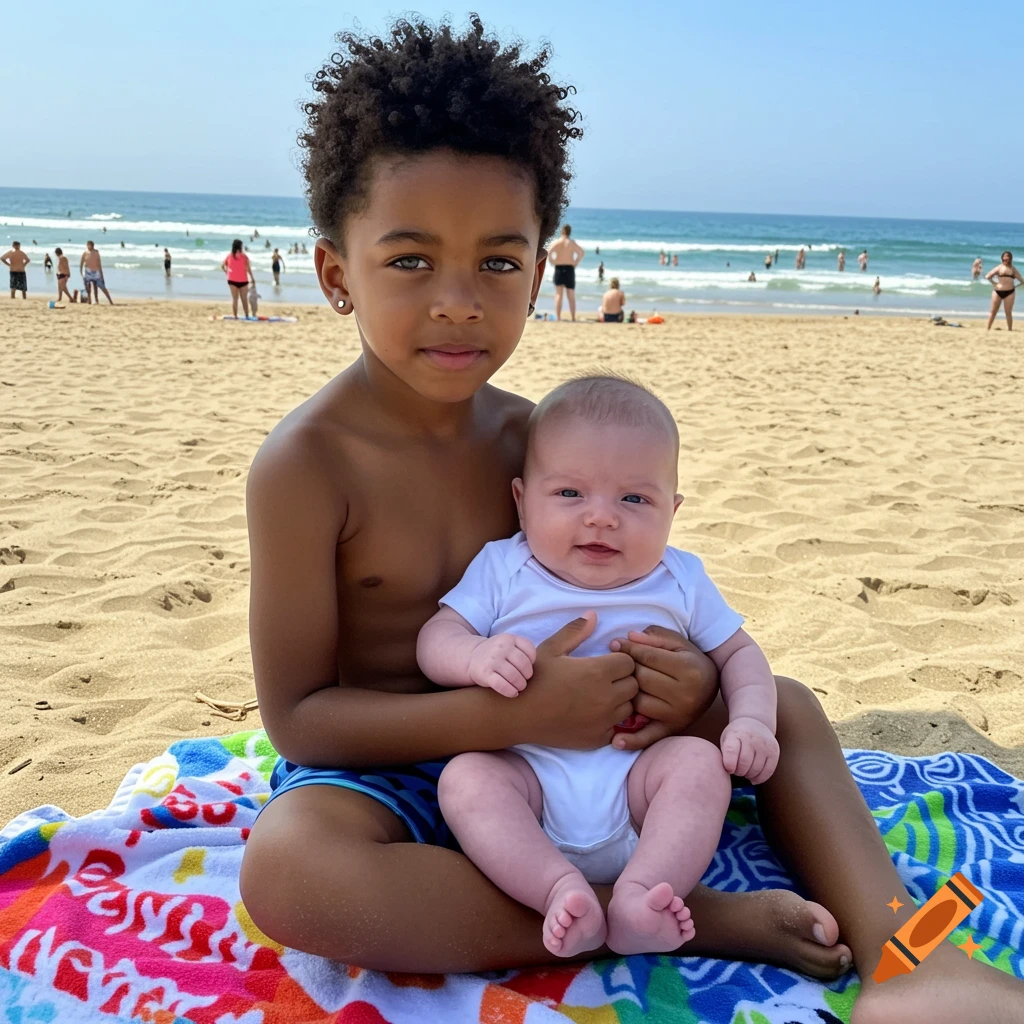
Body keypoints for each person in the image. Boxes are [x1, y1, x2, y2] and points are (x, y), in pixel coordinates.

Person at [236, 17, 1024, 1023]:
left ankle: (911, 955)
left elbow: (633, 583)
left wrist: (689, 684)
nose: (458, 302)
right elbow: (300, 717)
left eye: (498, 262)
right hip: (395, 764)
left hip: (584, 742)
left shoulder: (532, 440)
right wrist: (510, 716)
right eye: (408, 262)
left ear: (541, 268)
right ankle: (678, 912)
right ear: (335, 271)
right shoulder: (304, 467)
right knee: (292, 875)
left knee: (780, 700)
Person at [419, 376, 776, 957]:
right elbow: (438, 635)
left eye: (635, 499)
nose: (602, 518)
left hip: (637, 785)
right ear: (521, 498)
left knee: (699, 764)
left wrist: (753, 720)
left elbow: (740, 651)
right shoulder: (505, 567)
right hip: (528, 779)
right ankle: (558, 891)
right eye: (569, 495)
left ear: (673, 510)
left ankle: (639, 895)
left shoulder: (681, 578)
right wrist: (475, 656)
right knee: (466, 779)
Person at [549, 224, 584, 321]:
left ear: (562, 231)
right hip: (569, 268)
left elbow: (550, 252)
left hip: (559, 268)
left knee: (558, 295)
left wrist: (553, 262)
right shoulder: (571, 242)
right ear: (570, 232)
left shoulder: (558, 242)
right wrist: (575, 262)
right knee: (571, 294)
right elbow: (581, 252)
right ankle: (572, 317)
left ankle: (558, 317)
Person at [985, 250, 1021, 330]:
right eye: (1004, 257)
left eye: (1007, 257)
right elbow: (987, 276)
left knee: (1008, 312)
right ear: (1002, 258)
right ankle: (988, 329)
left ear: (1010, 259)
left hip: (1010, 292)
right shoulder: (999, 267)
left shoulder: (1013, 269)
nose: (1005, 258)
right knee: (993, 311)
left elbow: (1022, 281)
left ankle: (1010, 329)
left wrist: (1015, 286)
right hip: (997, 291)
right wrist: (994, 283)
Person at [221, 238, 256, 318]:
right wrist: (252, 278)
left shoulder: (229, 256)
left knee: (235, 299)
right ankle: (247, 315)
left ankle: (235, 316)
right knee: (244, 299)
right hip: (243, 280)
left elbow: (223, 266)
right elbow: (248, 269)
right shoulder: (244, 257)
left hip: (232, 280)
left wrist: (227, 272)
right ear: (240, 247)